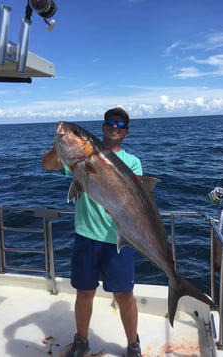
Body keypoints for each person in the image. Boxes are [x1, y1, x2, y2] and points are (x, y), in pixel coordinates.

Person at [42, 107, 142, 357]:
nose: (114, 127)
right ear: (103, 127)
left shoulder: (132, 162)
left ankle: (133, 344)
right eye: (110, 122)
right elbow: (46, 165)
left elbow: (138, 199)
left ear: (126, 132)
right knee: (84, 292)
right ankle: (82, 340)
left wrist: (122, 210)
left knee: (124, 295)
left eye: (120, 125)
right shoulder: (77, 159)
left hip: (119, 238)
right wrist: (61, 144)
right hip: (86, 235)